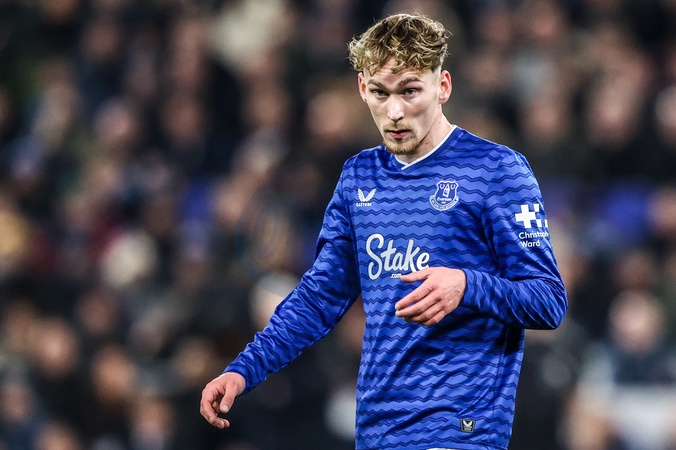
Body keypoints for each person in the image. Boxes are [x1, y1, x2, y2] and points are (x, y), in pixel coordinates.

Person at [200, 13, 567, 450]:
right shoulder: (359, 177)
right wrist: (244, 369)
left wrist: (467, 285)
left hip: (461, 425)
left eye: (410, 91)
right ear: (362, 89)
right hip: (379, 426)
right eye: (380, 92)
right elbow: (319, 296)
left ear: (442, 86)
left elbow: (548, 300)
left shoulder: (496, 171)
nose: (394, 111)